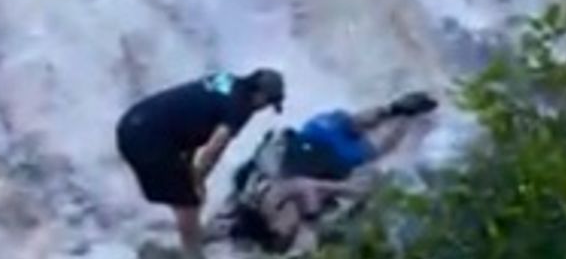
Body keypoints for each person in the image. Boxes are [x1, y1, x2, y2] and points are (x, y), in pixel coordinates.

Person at [208, 91, 438, 253]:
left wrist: (340, 194)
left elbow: (303, 184)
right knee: (353, 123)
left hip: (325, 153)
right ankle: (397, 110)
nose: (290, 228)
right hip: (310, 140)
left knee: (376, 148)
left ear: (272, 224)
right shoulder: (261, 208)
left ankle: (409, 115)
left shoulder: (271, 201)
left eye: (285, 228)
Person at [115, 68, 286, 257]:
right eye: (268, 103)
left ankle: (180, 239)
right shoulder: (241, 105)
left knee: (183, 194)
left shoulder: (225, 80)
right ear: (260, 95)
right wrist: (198, 180)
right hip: (148, 139)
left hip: (132, 124)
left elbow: (190, 125)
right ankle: (193, 255)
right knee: (189, 203)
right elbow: (214, 148)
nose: (263, 109)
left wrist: (194, 177)